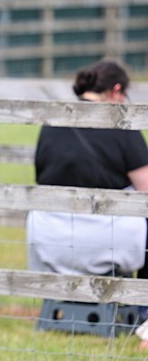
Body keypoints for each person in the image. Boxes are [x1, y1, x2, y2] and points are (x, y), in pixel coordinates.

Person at [27, 60, 148, 324]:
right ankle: (144, 308)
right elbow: (146, 188)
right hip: (109, 240)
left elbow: (40, 177)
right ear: (116, 91)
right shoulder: (122, 126)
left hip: (50, 239)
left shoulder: (52, 124)